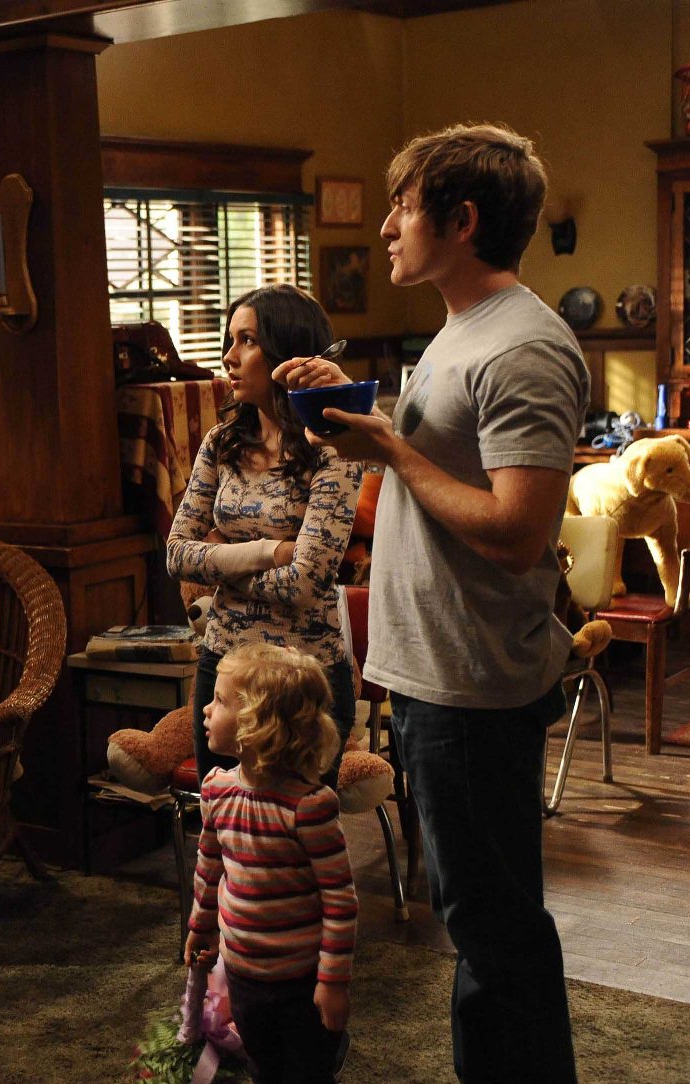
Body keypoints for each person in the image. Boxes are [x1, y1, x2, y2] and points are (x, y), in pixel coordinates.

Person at [277, 123, 587, 1083]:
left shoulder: (524, 348)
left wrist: (389, 447)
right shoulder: (461, 332)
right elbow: (432, 473)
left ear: (462, 221)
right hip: (432, 673)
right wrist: (357, 415)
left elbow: (516, 530)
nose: (384, 227)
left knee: (496, 934)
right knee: (481, 921)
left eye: (403, 207)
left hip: (472, 681)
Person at [166, 284, 364, 788]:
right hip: (225, 672)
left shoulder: (334, 448)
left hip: (303, 680)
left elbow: (305, 583)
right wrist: (268, 552)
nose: (229, 357)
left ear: (288, 352)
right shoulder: (221, 442)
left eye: (248, 341)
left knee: (300, 825)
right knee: (220, 819)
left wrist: (221, 565)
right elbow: (177, 554)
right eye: (230, 340)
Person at [185, 642, 356, 1084]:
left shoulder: (309, 807)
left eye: (220, 700)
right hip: (242, 974)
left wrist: (333, 982)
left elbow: (340, 901)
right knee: (262, 1065)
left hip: (300, 982)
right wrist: (201, 926)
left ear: (257, 723)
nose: (205, 709)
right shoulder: (216, 790)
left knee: (306, 1072)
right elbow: (209, 865)